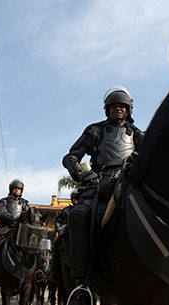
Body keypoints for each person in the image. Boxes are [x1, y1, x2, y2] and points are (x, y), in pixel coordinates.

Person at [62, 86, 144, 304]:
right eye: (114, 106)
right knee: (78, 215)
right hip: (100, 183)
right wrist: (81, 174)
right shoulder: (95, 130)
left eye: (122, 106)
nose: (118, 109)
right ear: (107, 109)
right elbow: (71, 156)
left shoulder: (137, 134)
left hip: (131, 182)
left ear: (128, 110)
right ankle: (81, 283)